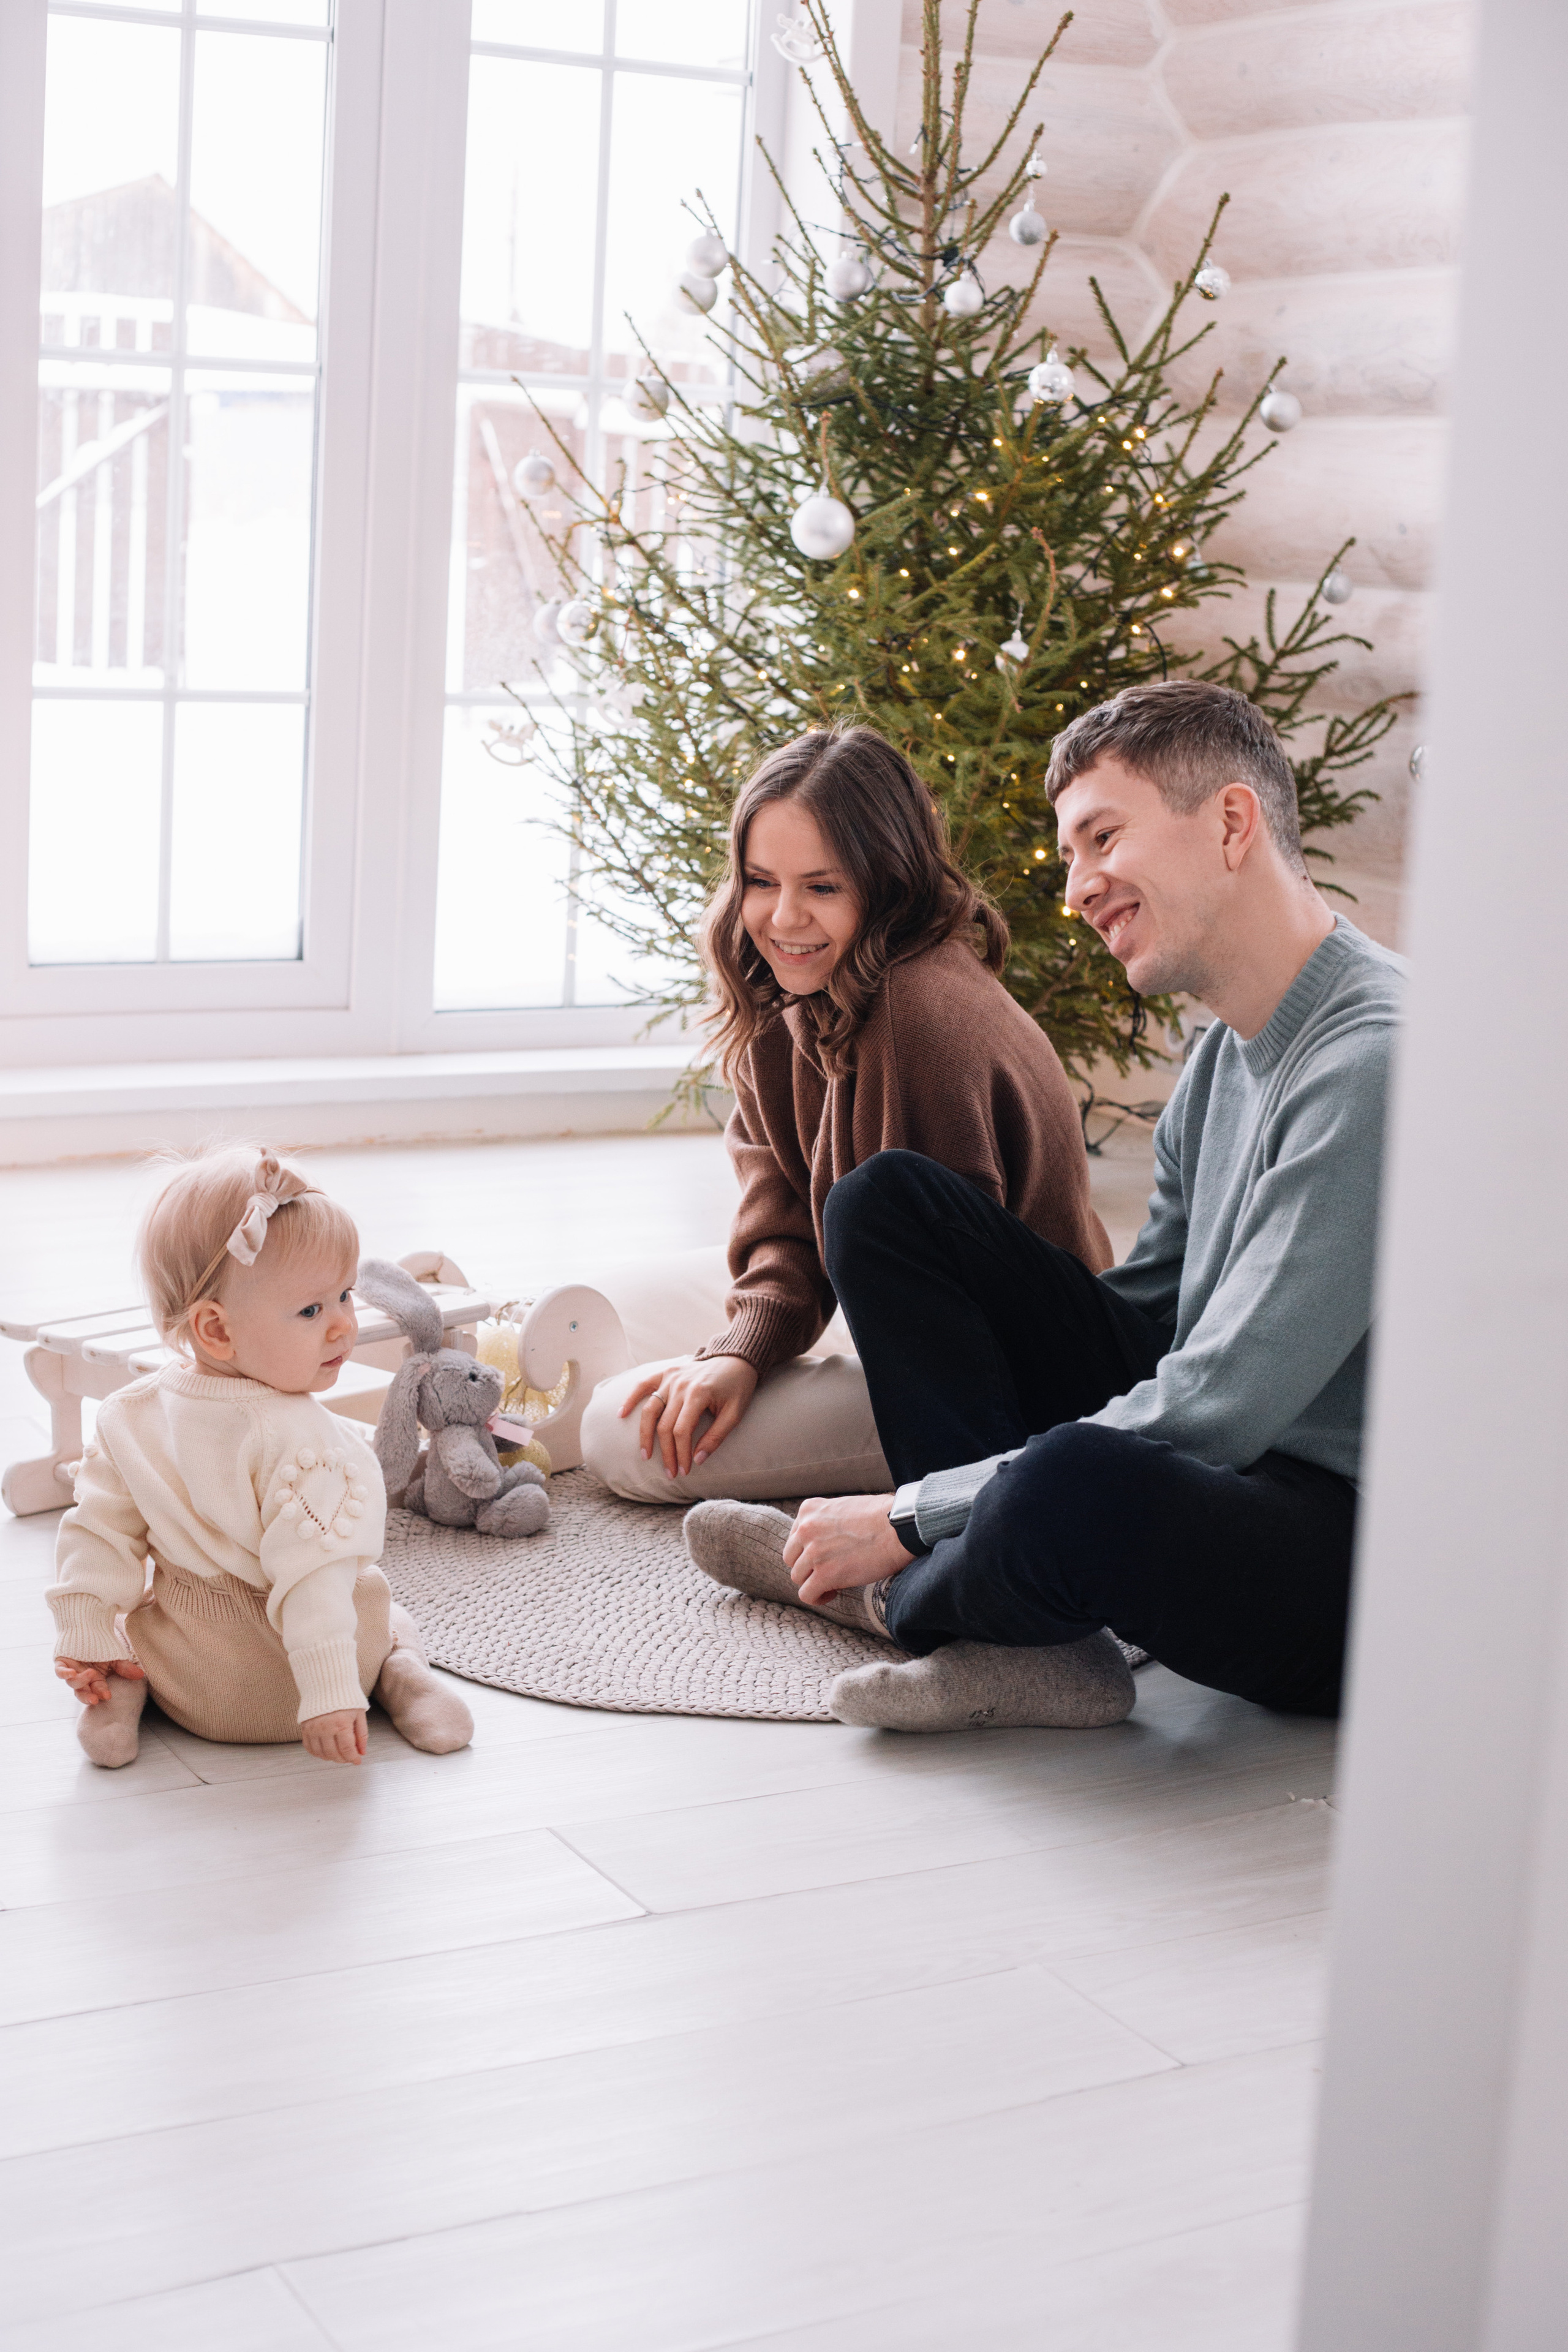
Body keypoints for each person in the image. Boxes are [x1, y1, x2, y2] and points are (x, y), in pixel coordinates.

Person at [683, 680, 1404, 1732]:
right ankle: (1006, 1626)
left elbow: (1221, 1402)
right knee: (887, 1203)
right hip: (1237, 1462)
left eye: (1102, 838)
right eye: (1070, 854)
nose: (1077, 889)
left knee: (1075, 1479)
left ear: (1233, 822)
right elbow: (1149, 1319)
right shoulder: (1223, 1056)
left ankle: (910, 1594)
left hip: (1350, 1555)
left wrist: (916, 1514)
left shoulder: (1372, 1061)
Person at [581, 724, 1111, 1504]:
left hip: (1004, 1376)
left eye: (822, 888)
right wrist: (743, 1348)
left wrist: (746, 1364)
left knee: (616, 1435)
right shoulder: (786, 989)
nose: (783, 919)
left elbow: (935, 1325)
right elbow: (784, 1213)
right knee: (603, 1310)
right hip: (858, 1292)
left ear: (887, 884)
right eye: (762, 881)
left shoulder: (916, 1015)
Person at [48, 1146, 473, 1768]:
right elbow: (314, 1577)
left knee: (129, 1615)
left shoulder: (126, 1416)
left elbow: (95, 1536)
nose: (342, 1327)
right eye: (311, 1309)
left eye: (345, 1296)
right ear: (215, 1329)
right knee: (382, 1606)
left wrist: (83, 1632)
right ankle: (398, 1674)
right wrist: (329, 1693)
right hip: (315, 1690)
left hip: (195, 1684)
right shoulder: (311, 1441)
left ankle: (121, 1685)